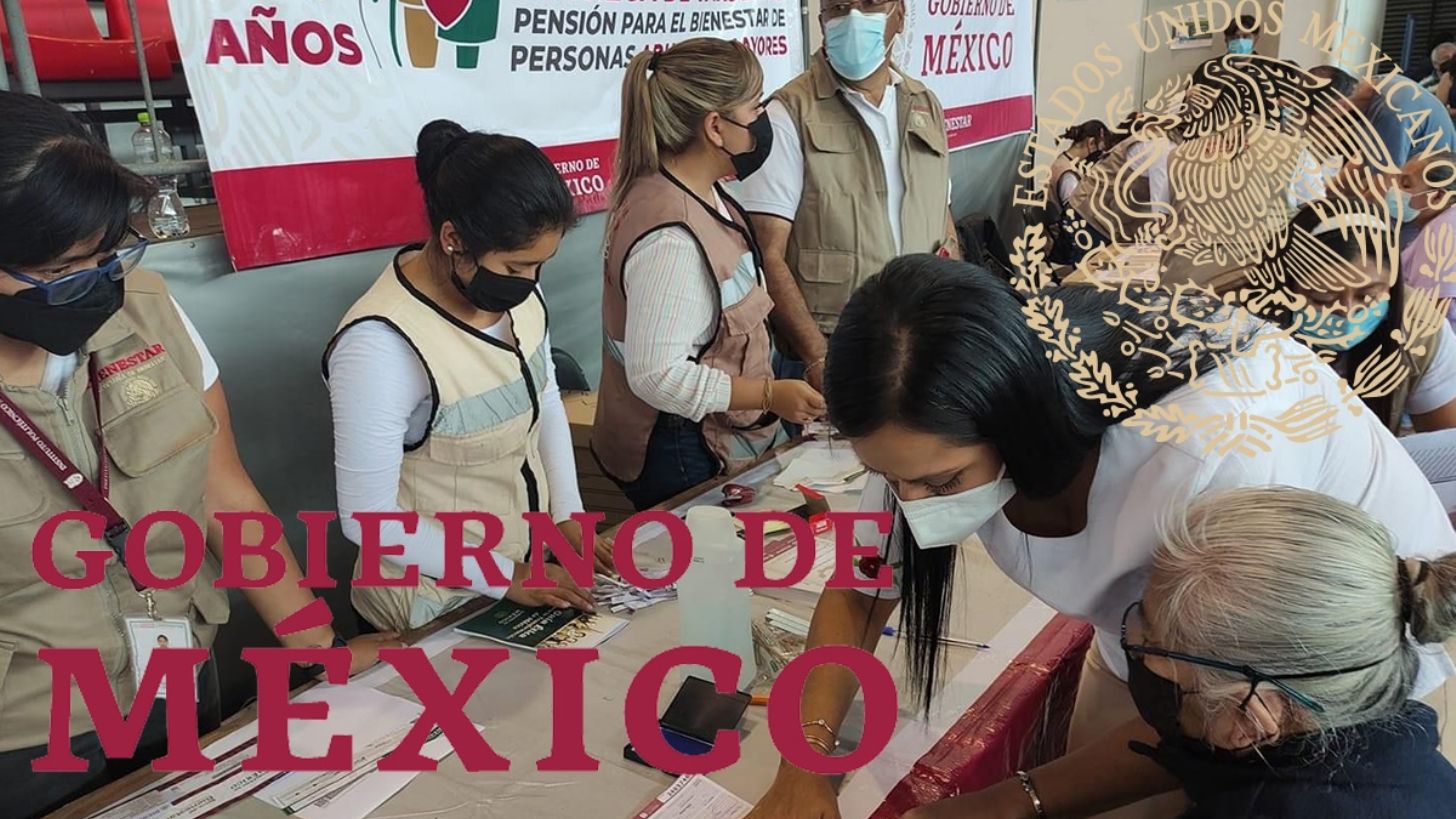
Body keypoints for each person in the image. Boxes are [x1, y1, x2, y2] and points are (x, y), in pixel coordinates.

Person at [745, 255, 1456, 819]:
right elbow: (862, 586)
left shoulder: (1206, 460)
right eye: (889, 477)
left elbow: (1221, 712)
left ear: (1021, 429)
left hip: (1313, 664)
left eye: (941, 482)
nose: (910, 503)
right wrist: (804, 764)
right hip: (1181, 658)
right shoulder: (919, 422)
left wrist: (1008, 801)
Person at [0, 91, 397, 819]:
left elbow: (223, 492)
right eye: (61, 270)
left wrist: (320, 650)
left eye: (109, 254)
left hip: (178, 682)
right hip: (25, 739)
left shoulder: (148, 309)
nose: (96, 283)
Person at [906, 487, 1456, 819]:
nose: (1134, 647)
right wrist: (1015, 800)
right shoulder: (1378, 731)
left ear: (1248, 720)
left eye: (1153, 647)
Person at [325, 119, 598, 634]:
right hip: (428, 602)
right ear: (454, 238)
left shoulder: (516, 292)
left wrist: (567, 515)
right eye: (516, 267)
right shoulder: (380, 344)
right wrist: (503, 576)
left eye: (540, 265)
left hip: (520, 578)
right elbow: (367, 517)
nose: (530, 282)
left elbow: (544, 396)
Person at [592, 39, 823, 511]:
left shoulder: (696, 191)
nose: (763, 119)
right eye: (755, 107)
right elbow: (656, 376)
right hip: (686, 449)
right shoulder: (670, 238)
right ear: (716, 127)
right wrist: (769, 394)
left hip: (714, 432)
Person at [738, 0, 956, 393]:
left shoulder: (925, 104)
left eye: (870, 3)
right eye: (838, 6)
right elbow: (767, 254)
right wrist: (817, 357)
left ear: (900, 15)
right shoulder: (788, 114)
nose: (853, 18)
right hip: (834, 348)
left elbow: (943, 221)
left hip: (923, 341)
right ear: (822, 21)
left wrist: (960, 318)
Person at [1253, 203, 1456, 432]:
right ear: (1287, 291)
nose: (1347, 312)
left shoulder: (1420, 331)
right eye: (1323, 298)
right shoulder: (1252, 337)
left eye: (1367, 296)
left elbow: (1444, 439)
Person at [1312, 65, 1455, 172]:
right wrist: (1326, 191)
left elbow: (1384, 186)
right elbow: (1366, 156)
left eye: (1322, 121)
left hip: (1435, 186)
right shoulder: (1378, 84)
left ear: (1336, 106)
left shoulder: (1390, 111)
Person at [1400, 149, 1456, 328]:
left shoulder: (1442, 232)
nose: (1395, 191)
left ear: (1438, 196)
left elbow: (1432, 315)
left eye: (1406, 185)